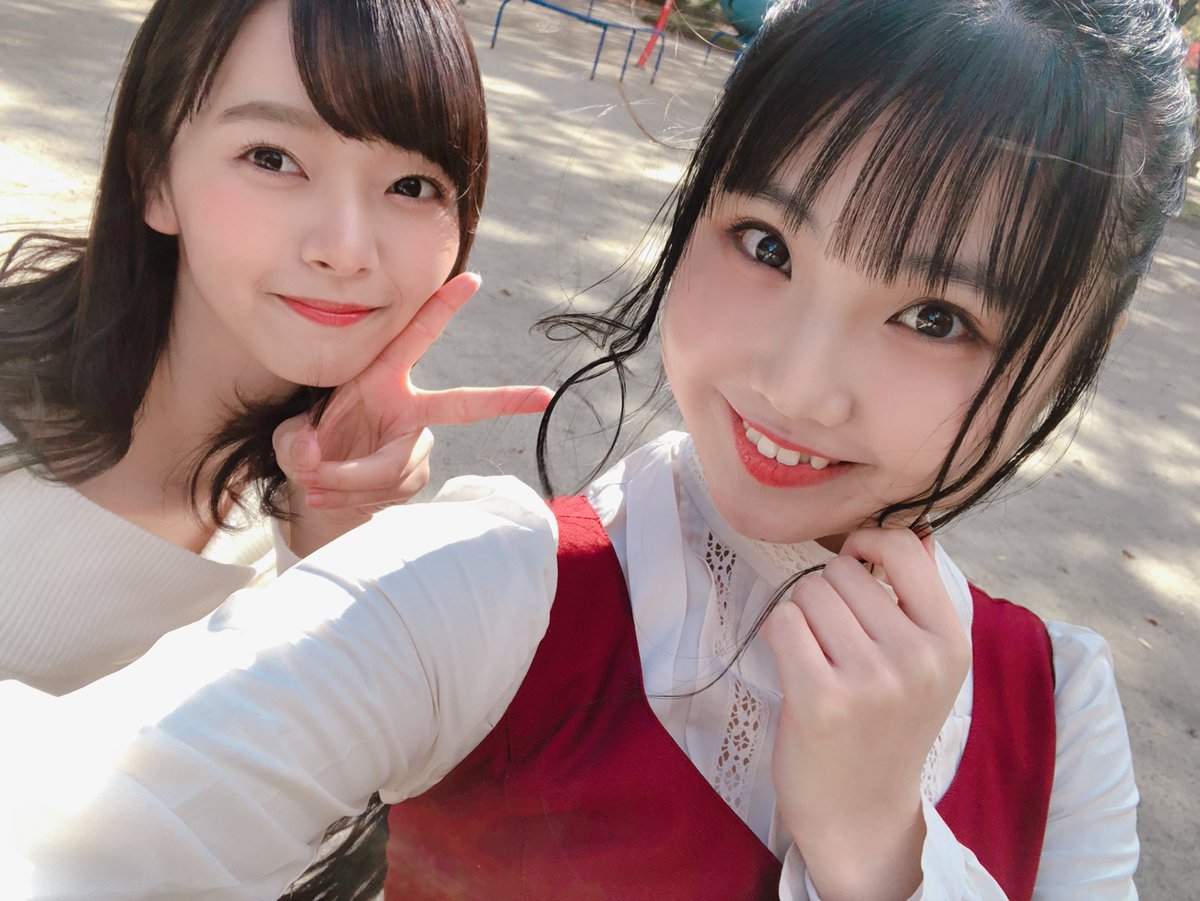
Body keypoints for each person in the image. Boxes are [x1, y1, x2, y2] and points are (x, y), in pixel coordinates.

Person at [1, 0, 1194, 897]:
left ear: (1071, 353)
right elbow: (93, 821)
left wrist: (883, 854)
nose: (794, 384)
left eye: (935, 316)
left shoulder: (1062, 710)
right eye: (767, 245)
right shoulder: (489, 585)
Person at [0, 0, 548, 694]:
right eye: (273, 158)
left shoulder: (323, 504)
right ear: (154, 177)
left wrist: (332, 535)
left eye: (411, 186)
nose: (346, 249)